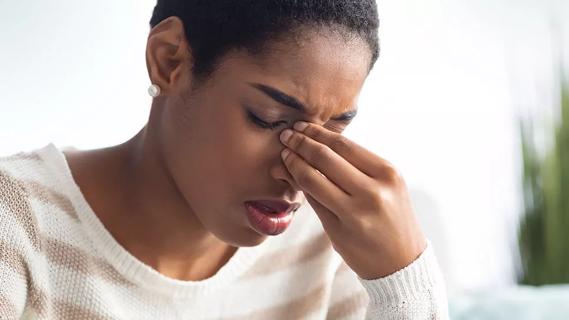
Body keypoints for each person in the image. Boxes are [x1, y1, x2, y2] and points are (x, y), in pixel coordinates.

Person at [0, 1, 449, 319]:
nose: (299, 172)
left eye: (333, 131)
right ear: (169, 60)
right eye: (269, 119)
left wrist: (403, 283)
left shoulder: (330, 247)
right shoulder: (18, 221)